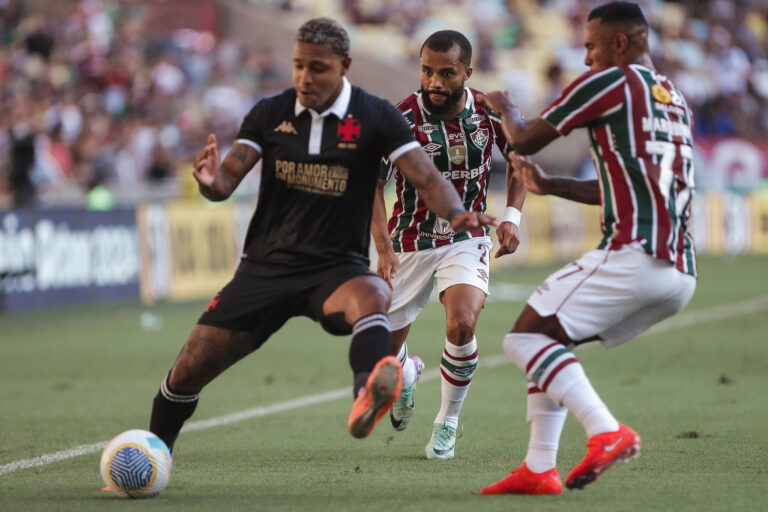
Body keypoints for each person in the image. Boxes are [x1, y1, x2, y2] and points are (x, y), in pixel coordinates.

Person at [147, 17, 494, 457]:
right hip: (266, 266)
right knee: (190, 367)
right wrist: (209, 182)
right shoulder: (270, 113)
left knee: (372, 295)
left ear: (344, 66)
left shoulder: (377, 116)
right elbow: (226, 180)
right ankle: (156, 449)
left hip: (335, 268)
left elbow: (426, 178)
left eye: (318, 68)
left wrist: (458, 214)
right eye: (298, 66)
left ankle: (367, 394)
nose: (304, 78)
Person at [478, 1, 697, 494]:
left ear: (620, 43)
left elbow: (525, 139)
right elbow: (629, 185)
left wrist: (503, 108)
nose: (586, 60)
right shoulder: (673, 98)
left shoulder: (611, 82)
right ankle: (538, 468)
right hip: (679, 268)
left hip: (634, 253)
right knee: (550, 341)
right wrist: (552, 186)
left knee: (524, 340)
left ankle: (606, 431)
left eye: (591, 47)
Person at [370, 30, 526, 460]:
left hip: (466, 236)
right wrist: (383, 249)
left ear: (467, 73)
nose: (434, 82)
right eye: (426, 71)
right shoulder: (397, 117)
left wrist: (511, 217)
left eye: (446, 73)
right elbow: (373, 184)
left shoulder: (491, 114)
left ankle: (447, 422)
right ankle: (405, 369)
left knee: (461, 323)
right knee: (379, 355)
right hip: (408, 241)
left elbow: (519, 162)